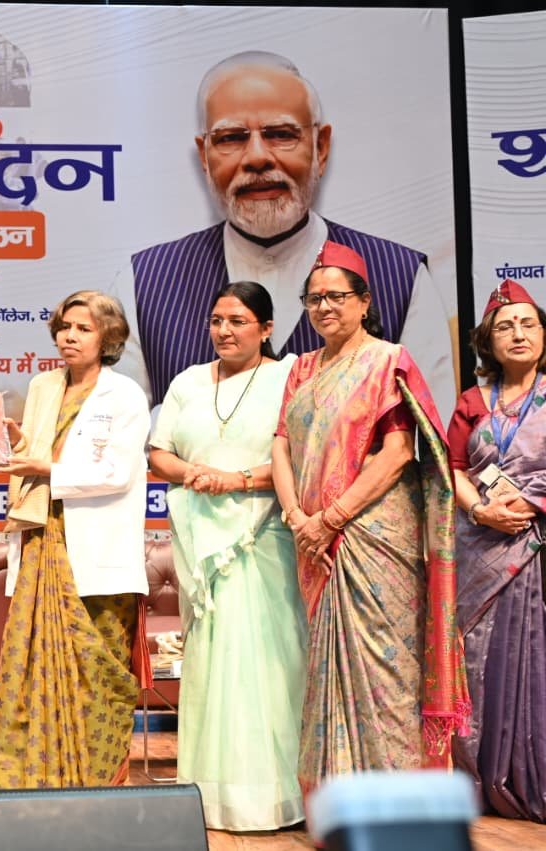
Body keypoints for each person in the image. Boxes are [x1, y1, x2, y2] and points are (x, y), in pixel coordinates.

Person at [116, 50, 453, 415]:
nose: (257, 158)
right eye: (231, 138)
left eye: (280, 134)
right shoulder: (144, 282)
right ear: (204, 156)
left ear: (321, 148)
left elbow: (428, 432)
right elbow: (117, 433)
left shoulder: (401, 277)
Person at [271, 242, 468, 797]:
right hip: (313, 541)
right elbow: (280, 444)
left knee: (387, 668)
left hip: (373, 538)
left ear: (363, 302)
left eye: (336, 296)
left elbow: (398, 452)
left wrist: (331, 518)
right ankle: (340, 804)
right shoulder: (301, 369)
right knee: (328, 671)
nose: (324, 307)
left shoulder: (388, 361)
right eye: (314, 298)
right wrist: (297, 517)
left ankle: (397, 802)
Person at [148, 282, 306, 830]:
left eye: (238, 321)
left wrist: (237, 479)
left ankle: (275, 795)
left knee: (268, 663)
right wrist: (195, 474)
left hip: (264, 535)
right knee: (212, 664)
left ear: (266, 328)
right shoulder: (188, 381)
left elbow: (299, 456)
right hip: (199, 536)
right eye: (217, 320)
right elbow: (160, 453)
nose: (224, 331)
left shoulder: (289, 377)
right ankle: (210, 796)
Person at [0, 290, 149, 788]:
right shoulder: (43, 386)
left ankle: (99, 784)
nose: (70, 337)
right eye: (64, 327)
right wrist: (19, 443)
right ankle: (32, 782)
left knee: (98, 671)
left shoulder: (124, 394)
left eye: (83, 328)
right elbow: (40, 450)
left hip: (96, 552)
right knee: (32, 664)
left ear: (108, 336)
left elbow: (117, 472)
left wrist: (47, 467)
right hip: (41, 537)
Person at [448, 279, 546, 822]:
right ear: (488, 341)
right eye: (505, 326)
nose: (518, 334)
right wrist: (481, 512)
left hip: (536, 545)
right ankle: (480, 779)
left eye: (528, 324)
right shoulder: (472, 401)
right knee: (477, 658)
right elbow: (452, 469)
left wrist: (530, 504)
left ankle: (533, 775)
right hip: (479, 545)